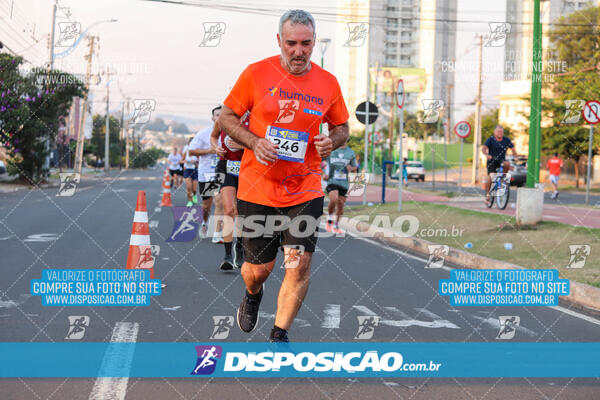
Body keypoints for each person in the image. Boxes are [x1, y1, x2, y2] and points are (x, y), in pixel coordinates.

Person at [218, 9, 349, 342]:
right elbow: (228, 117)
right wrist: (253, 141)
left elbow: (342, 127)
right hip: (257, 188)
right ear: (279, 41)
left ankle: (279, 333)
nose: (298, 51)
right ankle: (252, 294)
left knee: (298, 264)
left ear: (313, 42)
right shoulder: (256, 74)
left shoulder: (327, 82)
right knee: (258, 270)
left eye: (306, 43)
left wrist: (330, 141)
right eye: (291, 43)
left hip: (304, 190)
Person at [210, 111, 248, 270]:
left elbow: (263, 142)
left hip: (247, 168)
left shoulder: (253, 120)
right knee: (229, 209)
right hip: (226, 166)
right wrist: (216, 147)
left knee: (241, 212)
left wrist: (244, 144)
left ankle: (239, 247)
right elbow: (213, 136)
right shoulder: (223, 119)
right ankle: (227, 255)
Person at [188, 107, 221, 238]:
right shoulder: (204, 133)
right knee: (207, 205)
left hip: (223, 172)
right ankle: (205, 222)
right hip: (208, 173)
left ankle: (218, 232)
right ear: (212, 118)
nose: (220, 117)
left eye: (222, 115)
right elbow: (191, 151)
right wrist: (208, 151)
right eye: (217, 115)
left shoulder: (230, 133)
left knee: (220, 202)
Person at [323, 143, 357, 234]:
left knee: (340, 205)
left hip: (344, 183)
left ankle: (336, 225)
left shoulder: (351, 153)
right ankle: (329, 219)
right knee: (333, 198)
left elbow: (355, 168)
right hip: (332, 180)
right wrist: (323, 174)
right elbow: (319, 162)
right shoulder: (331, 150)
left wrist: (352, 169)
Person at [481, 125, 517, 203]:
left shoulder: (506, 140)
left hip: (501, 160)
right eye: (498, 131)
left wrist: (515, 156)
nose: (500, 133)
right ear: (495, 132)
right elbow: (484, 148)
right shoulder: (491, 139)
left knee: (507, 163)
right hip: (492, 161)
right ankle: (488, 194)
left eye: (501, 132)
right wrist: (487, 155)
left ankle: (503, 178)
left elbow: (513, 149)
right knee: (492, 176)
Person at [182, 137, 199, 207]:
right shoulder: (186, 151)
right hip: (187, 170)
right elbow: (181, 160)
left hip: (194, 170)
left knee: (194, 189)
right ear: (189, 144)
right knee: (189, 187)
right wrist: (186, 161)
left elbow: (200, 162)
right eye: (191, 144)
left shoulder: (197, 151)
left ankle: (194, 195)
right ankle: (189, 201)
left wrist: (195, 162)